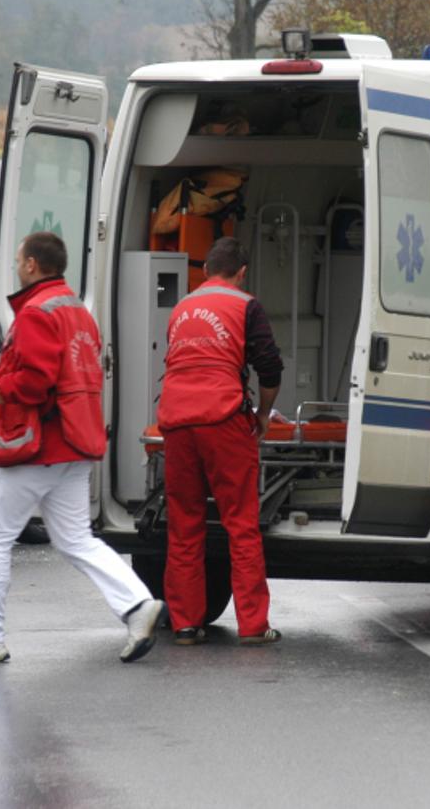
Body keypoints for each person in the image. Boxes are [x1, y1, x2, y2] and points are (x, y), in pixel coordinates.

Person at [0, 231, 164, 664]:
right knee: (76, 540)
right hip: (75, 443)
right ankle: (137, 605)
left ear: (31, 265)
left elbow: (34, 380)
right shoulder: (78, 311)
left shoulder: (34, 314)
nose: (14, 264)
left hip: (34, 447)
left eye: (17, 258)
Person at [157, 237, 283, 645]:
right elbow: (269, 366)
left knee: (184, 525)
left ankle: (186, 624)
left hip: (175, 421)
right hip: (222, 419)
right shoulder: (246, 305)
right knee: (240, 525)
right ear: (241, 272)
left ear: (206, 271)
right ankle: (253, 626)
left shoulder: (182, 308)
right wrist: (263, 415)